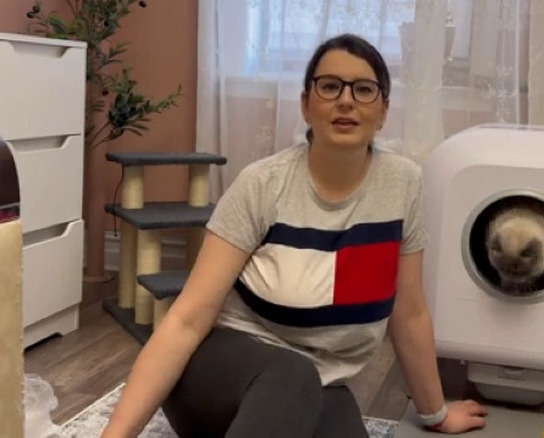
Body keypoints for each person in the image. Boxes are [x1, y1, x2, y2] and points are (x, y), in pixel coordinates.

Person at [101, 33, 488, 438]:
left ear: (384, 111)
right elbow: (186, 319)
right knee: (292, 373)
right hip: (219, 375)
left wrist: (435, 413)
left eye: (364, 89)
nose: (346, 100)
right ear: (306, 104)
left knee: (320, 400)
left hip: (322, 384)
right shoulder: (263, 184)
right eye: (330, 86)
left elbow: (409, 313)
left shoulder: (403, 184)